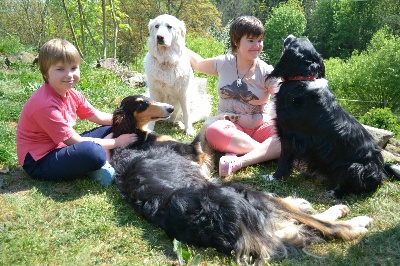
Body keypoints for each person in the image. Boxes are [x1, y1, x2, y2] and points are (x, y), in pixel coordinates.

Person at [16, 38, 137, 186]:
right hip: (40, 160)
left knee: (115, 126)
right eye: (60, 69)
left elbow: (98, 116)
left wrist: (132, 120)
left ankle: (98, 162)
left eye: (73, 68)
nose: (69, 75)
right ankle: (97, 162)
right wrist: (116, 142)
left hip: (62, 146)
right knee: (93, 152)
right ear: (45, 73)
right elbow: (75, 141)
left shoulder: (72, 94)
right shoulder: (44, 104)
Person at [188, 16, 281, 177]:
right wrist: (177, 43)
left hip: (260, 126)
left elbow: (283, 96)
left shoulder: (266, 71)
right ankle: (266, 152)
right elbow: (197, 64)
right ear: (236, 42)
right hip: (228, 127)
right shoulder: (223, 63)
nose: (257, 46)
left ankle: (239, 160)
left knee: (286, 135)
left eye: (260, 40)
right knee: (214, 131)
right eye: (251, 40)